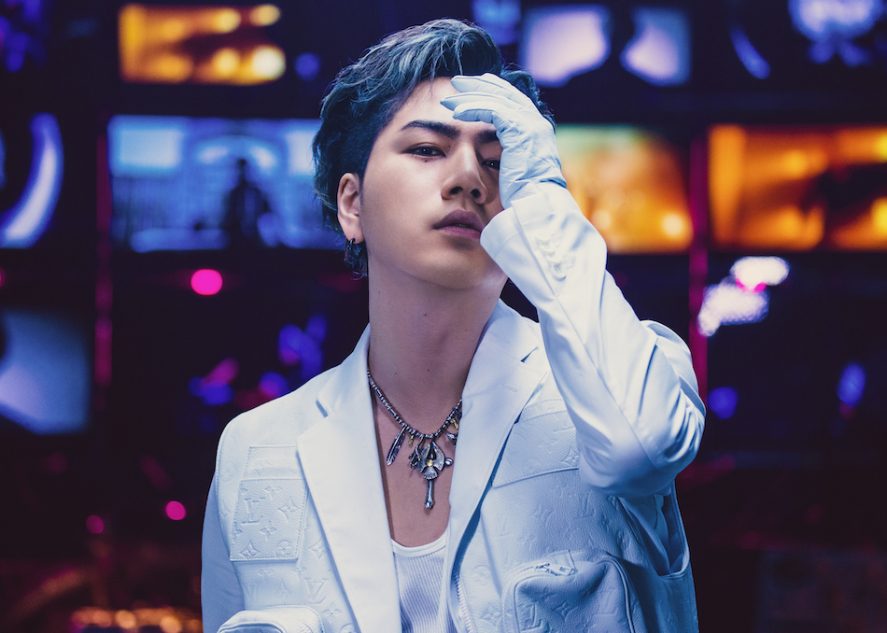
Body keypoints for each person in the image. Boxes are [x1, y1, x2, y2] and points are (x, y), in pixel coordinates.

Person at [201, 19, 705, 633]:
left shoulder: (626, 377)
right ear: (352, 203)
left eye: (498, 161)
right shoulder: (256, 449)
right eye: (426, 150)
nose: (468, 177)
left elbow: (639, 449)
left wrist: (544, 200)